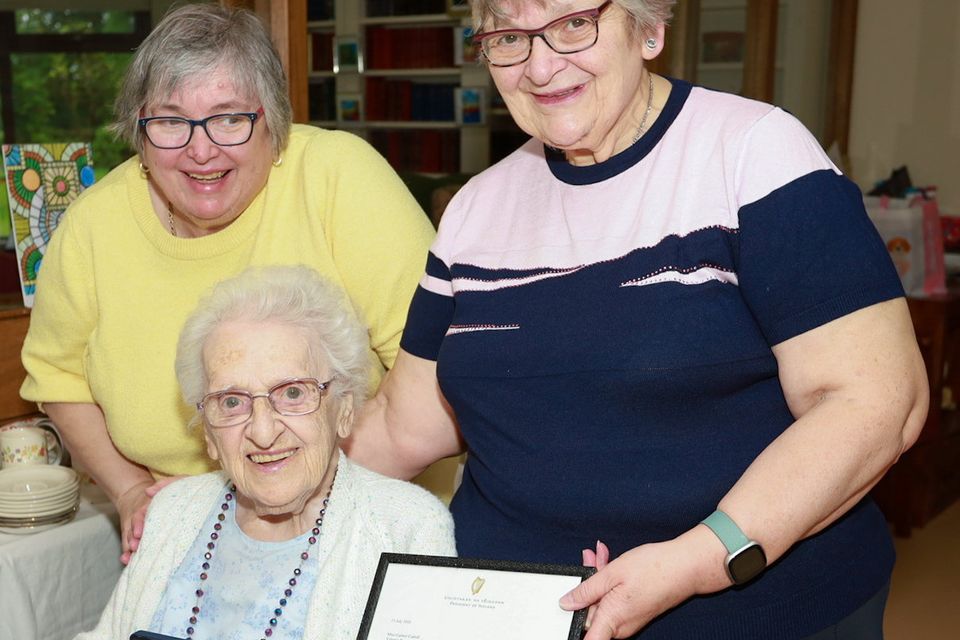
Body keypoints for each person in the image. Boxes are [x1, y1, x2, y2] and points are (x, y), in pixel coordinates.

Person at [345, 1, 929, 638]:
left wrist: (698, 560)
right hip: (520, 614)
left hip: (748, 613)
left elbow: (875, 403)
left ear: (649, 29)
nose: (540, 66)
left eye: (574, 24)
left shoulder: (754, 154)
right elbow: (404, 426)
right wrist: (282, 462)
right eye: (510, 37)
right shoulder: (475, 210)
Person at [19, 4, 435, 563]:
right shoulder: (93, 225)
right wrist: (130, 490)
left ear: (274, 122)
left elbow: (441, 365)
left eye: (229, 118)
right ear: (138, 131)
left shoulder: (339, 178)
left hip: (369, 522)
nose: (201, 150)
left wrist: (260, 501)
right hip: (185, 541)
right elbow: (59, 376)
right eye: (170, 122)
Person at [76, 265, 456, 640]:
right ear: (208, 434)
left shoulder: (405, 528)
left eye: (293, 393)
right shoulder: (172, 511)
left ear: (343, 409)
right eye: (231, 401)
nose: (262, 431)